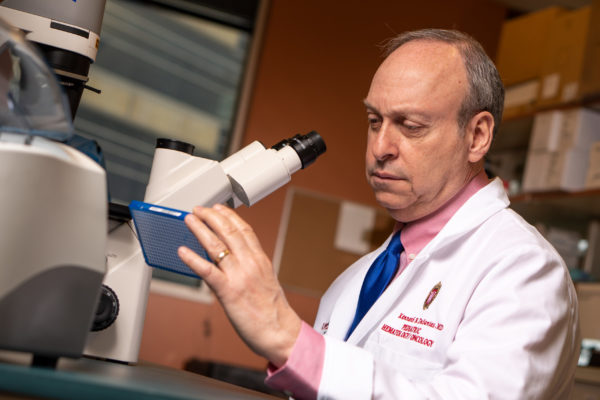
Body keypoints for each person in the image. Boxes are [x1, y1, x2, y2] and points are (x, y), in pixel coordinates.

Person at [177, 28, 580, 399]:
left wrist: (287, 338)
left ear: (477, 136)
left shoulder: (524, 270)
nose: (381, 146)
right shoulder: (353, 282)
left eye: (411, 125)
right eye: (375, 121)